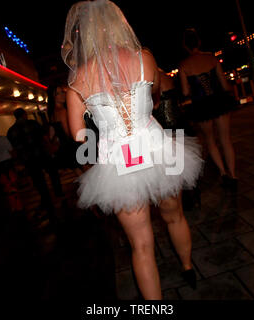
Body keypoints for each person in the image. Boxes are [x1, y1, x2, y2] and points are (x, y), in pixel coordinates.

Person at [62, 0, 204, 299]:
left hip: (118, 163)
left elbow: (77, 136)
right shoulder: (145, 58)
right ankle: (188, 266)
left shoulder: (76, 82)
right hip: (158, 150)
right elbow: (153, 97)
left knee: (140, 244)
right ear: (118, 24)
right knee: (175, 216)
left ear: (81, 34)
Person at [179, 28, 238, 190]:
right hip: (219, 101)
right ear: (199, 42)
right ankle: (233, 175)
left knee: (210, 140)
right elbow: (224, 84)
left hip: (202, 105)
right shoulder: (211, 58)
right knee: (225, 140)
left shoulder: (184, 65)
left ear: (185, 46)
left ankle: (223, 173)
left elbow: (185, 92)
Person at [7, 108, 64, 211]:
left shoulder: (11, 131)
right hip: (42, 153)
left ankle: (46, 199)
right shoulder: (33, 123)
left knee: (38, 180)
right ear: (24, 114)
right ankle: (58, 192)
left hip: (28, 158)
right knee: (53, 172)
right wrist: (50, 147)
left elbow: (14, 148)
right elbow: (44, 137)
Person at [49, 86, 85, 177]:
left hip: (65, 148)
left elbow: (51, 134)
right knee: (87, 172)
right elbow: (69, 132)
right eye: (58, 93)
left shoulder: (53, 113)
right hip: (73, 146)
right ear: (53, 97)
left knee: (80, 174)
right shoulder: (63, 111)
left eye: (62, 92)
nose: (63, 95)